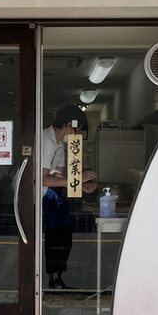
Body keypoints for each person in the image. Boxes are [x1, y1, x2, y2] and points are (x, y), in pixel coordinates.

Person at [42, 104, 97, 289]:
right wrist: (77, 179)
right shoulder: (47, 142)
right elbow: (42, 180)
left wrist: (79, 185)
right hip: (41, 198)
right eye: (77, 130)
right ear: (68, 124)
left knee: (64, 238)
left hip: (53, 197)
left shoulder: (58, 144)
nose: (77, 135)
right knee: (53, 240)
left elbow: (59, 177)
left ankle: (58, 279)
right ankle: (51, 280)